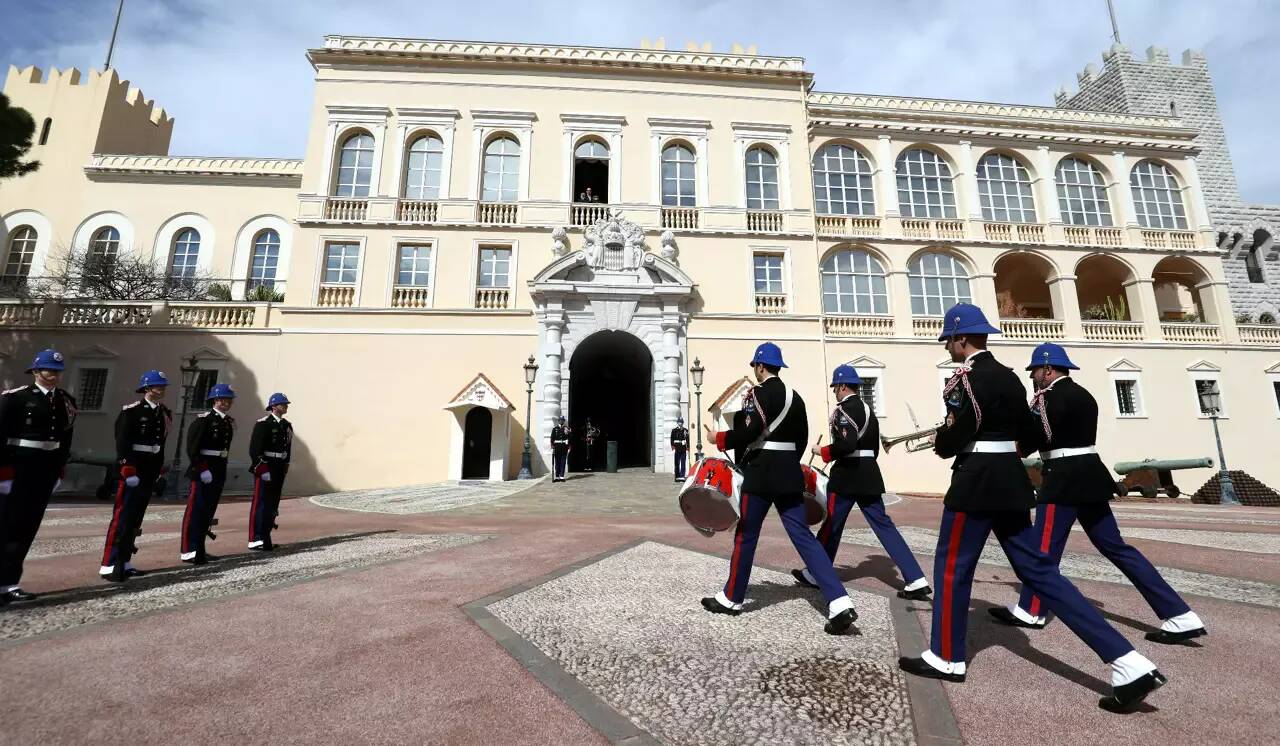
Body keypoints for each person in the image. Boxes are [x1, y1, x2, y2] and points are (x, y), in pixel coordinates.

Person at [897, 304, 1165, 712]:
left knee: (952, 568)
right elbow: (1027, 430)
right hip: (1011, 481)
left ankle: (946, 656)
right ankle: (1128, 662)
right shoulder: (1010, 378)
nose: (949, 348)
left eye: (949, 340)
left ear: (960, 338)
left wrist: (942, 444)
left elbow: (954, 436)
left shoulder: (962, 379)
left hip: (976, 482)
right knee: (1040, 571)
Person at [988, 342, 1207, 645]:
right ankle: (1180, 614)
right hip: (1091, 475)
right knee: (1117, 548)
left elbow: (1035, 439)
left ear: (1047, 369)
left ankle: (1031, 610)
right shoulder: (1084, 395)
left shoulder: (1046, 400)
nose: (1033, 377)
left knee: (1042, 551)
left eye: (1035, 371)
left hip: (1063, 480)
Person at [702, 342, 857, 635]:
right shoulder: (795, 398)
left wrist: (718, 438)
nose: (755, 372)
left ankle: (732, 598)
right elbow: (802, 438)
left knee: (746, 535)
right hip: (788, 472)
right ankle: (839, 601)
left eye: (755, 367)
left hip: (761, 474)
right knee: (804, 538)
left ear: (760, 367)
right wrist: (788, 463)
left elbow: (748, 431)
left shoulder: (757, 394)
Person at [795, 364, 931, 600]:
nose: (834, 392)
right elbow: (875, 449)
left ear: (842, 386)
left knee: (831, 525)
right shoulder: (868, 410)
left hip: (847, 476)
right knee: (884, 527)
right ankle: (916, 578)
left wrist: (823, 451)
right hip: (868, 473)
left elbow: (846, 446)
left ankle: (816, 573)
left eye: (835, 388)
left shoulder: (843, 411)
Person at [0, 350, 76, 604]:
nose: (53, 375)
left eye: (57, 371)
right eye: (48, 370)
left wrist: (58, 470)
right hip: (19, 468)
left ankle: (9, 583)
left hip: (45, 469)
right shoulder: (16, 398)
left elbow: (64, 439)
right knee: (6, 526)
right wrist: (4, 472)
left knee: (27, 527)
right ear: (35, 372)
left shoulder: (65, 401)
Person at [100, 369, 170, 582]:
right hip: (134, 467)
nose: (162, 389)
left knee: (136, 517)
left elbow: (161, 444)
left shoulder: (163, 413)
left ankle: (126, 560)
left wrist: (158, 469)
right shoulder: (131, 411)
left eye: (163, 386)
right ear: (147, 388)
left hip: (149, 468)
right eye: (159, 385)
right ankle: (110, 562)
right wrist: (127, 467)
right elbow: (122, 441)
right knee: (122, 516)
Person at [180, 384, 236, 565]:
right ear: (215, 400)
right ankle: (189, 549)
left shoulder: (227, 422)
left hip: (219, 468)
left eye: (229, 399)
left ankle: (200, 548)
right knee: (196, 510)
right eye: (223, 399)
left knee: (207, 512)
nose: (226, 402)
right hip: (204, 469)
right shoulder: (203, 420)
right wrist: (202, 468)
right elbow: (192, 447)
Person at [248, 392, 293, 550]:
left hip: (279, 465)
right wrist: (262, 467)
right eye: (283, 404)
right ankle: (255, 538)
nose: (285, 406)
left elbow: (288, 447)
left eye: (286, 404)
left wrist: (286, 463)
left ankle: (265, 537)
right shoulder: (263, 424)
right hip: (266, 464)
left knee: (273, 503)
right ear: (273, 406)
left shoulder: (286, 425)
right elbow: (255, 449)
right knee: (261, 502)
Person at [550, 416, 571, 482]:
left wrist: (569, 445)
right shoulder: (555, 429)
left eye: (562, 420)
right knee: (557, 462)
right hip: (557, 447)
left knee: (563, 462)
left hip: (564, 447)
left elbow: (569, 438)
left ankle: (562, 476)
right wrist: (552, 446)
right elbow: (552, 439)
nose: (561, 421)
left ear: (564, 421)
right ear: (558, 421)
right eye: (560, 420)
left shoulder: (566, 428)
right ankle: (557, 476)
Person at [670, 416, 690, 482]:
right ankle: (677, 476)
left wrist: (688, 448)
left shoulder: (685, 430)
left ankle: (682, 476)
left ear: (683, 423)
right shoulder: (674, 430)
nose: (680, 423)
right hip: (677, 449)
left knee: (683, 463)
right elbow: (672, 439)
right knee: (677, 463)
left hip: (683, 449)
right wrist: (673, 446)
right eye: (679, 422)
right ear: (677, 423)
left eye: (681, 422)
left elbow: (687, 439)